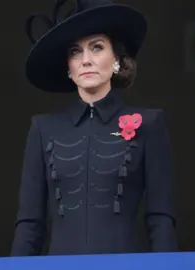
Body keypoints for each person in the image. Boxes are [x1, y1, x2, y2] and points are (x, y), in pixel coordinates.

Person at [11, 0, 178, 256]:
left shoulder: (150, 124)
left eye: (97, 47)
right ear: (69, 67)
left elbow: (160, 219)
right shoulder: (42, 128)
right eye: (75, 52)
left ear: (116, 60)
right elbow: (30, 225)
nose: (86, 60)